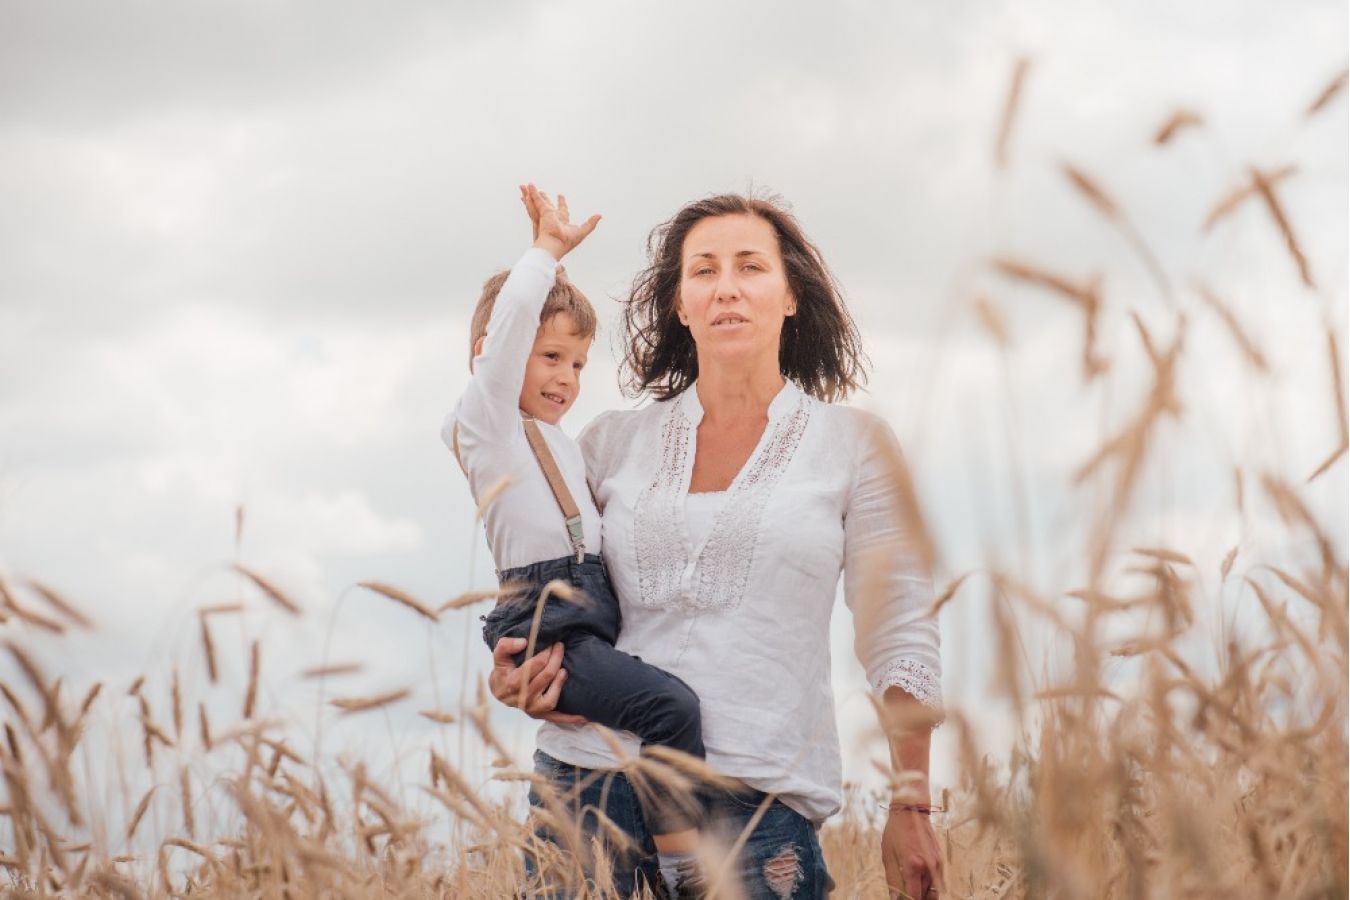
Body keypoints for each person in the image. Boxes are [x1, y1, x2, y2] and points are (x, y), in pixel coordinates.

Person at [489, 191, 947, 899]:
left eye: (750, 266)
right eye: (703, 270)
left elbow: (901, 629)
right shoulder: (609, 443)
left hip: (756, 803)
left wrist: (911, 803)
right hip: (584, 787)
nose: (726, 287)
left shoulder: (853, 447)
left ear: (791, 295)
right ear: (679, 302)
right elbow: (541, 573)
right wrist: (520, 668)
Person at [444, 185, 710, 897]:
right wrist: (546, 252)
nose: (565, 378)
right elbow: (507, 339)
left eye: (577, 365)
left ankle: (659, 847)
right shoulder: (488, 427)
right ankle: (686, 869)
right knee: (672, 710)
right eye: (550, 356)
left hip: (585, 610)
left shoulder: (563, 445)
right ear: (492, 355)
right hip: (547, 614)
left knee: (661, 707)